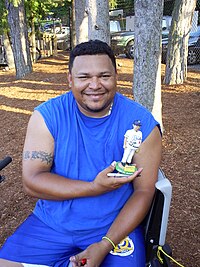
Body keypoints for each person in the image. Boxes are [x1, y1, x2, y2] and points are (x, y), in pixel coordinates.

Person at [0, 39, 162, 267]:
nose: (94, 85)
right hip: (51, 224)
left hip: (113, 227)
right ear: (70, 79)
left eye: (104, 76)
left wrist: (105, 244)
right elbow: (32, 181)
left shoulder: (143, 124)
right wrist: (94, 188)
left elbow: (144, 192)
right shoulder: (47, 116)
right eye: (84, 77)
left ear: (116, 76)